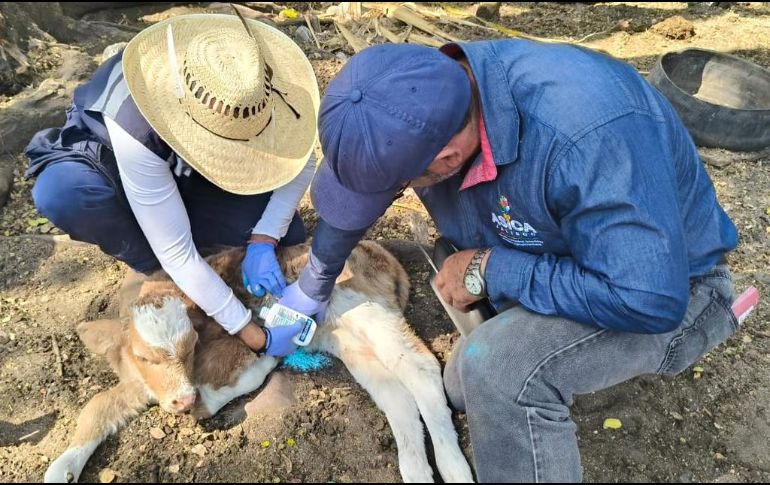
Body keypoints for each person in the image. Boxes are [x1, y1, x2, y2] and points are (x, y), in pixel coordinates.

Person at [287, 41, 739, 482]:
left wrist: (492, 269)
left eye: (396, 186)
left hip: (670, 291)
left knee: (499, 373)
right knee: (460, 387)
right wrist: (315, 280)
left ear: (448, 158)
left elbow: (649, 298)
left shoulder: (586, 134)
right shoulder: (417, 97)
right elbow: (356, 203)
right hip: (560, 260)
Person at [25, 14, 321, 357]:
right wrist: (256, 337)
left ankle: (198, 250)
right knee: (64, 195)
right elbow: (177, 253)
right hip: (110, 162)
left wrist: (264, 238)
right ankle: (152, 267)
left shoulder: (255, 81)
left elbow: (302, 161)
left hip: (189, 170)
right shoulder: (138, 119)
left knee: (291, 234)